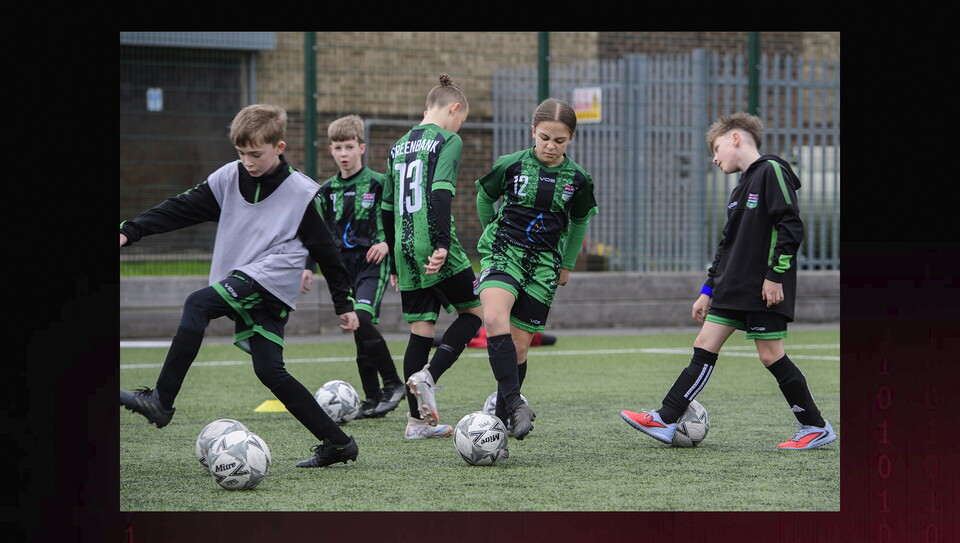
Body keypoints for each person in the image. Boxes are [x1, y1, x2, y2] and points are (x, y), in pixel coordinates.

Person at [119, 104, 364, 468]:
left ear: (279, 147)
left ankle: (161, 401)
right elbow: (179, 208)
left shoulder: (301, 192)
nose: (248, 161)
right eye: (241, 153)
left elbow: (327, 252)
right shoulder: (227, 179)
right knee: (270, 372)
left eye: (256, 154)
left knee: (197, 304)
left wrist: (344, 303)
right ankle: (339, 443)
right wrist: (131, 230)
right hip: (248, 280)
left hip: (272, 277)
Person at [620, 112, 837, 450]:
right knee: (704, 345)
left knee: (770, 356)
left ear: (736, 138)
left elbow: (791, 226)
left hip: (763, 288)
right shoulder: (739, 190)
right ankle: (665, 417)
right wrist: (707, 290)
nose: (714, 157)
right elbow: (727, 246)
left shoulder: (772, 170)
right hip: (732, 289)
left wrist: (775, 276)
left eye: (717, 147)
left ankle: (815, 426)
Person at [474, 98, 598, 440]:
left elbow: (579, 223)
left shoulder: (578, 179)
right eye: (544, 137)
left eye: (559, 140)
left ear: (571, 138)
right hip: (504, 254)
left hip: (544, 266)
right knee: (494, 319)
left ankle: (498, 423)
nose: (550, 146)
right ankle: (516, 404)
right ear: (533, 132)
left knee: (520, 346)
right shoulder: (511, 165)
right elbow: (484, 197)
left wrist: (567, 265)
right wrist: (491, 231)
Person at [382, 74, 483, 440]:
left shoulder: (397, 146)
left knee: (420, 331)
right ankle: (429, 376)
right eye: (462, 119)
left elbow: (386, 209)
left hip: (404, 248)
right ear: (454, 109)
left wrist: (394, 261)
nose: (460, 127)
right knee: (475, 313)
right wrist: (441, 244)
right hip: (434, 242)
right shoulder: (448, 139)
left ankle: (416, 424)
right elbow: (441, 194)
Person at [301, 114, 405, 419]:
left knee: (360, 317)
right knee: (358, 329)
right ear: (330, 151)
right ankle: (372, 399)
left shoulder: (379, 183)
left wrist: (387, 245)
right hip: (343, 268)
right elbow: (316, 233)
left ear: (361, 147)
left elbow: (396, 221)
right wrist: (309, 265)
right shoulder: (327, 191)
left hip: (373, 263)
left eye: (348, 146)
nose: (343, 153)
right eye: (337, 147)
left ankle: (393, 384)